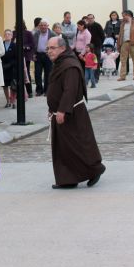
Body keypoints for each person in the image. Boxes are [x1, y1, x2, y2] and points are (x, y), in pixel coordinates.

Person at [46, 36, 105, 189]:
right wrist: (52, 108)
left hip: (71, 113)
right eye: (48, 48)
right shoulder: (60, 63)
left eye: (52, 48)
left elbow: (70, 90)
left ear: (62, 48)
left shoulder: (69, 65)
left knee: (79, 145)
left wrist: (62, 110)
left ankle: (95, 170)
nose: (49, 51)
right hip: (60, 111)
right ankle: (68, 179)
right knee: (64, 148)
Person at [117, 10, 134, 81]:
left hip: (133, 43)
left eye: (124, 16)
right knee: (123, 60)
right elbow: (120, 34)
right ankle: (122, 76)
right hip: (124, 43)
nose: (123, 17)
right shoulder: (123, 24)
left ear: (128, 15)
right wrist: (118, 44)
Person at [32, 20, 57, 96]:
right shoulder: (36, 34)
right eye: (41, 25)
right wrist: (33, 54)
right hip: (38, 55)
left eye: (44, 25)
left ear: (47, 26)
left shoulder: (52, 34)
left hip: (48, 56)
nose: (43, 27)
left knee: (48, 74)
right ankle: (39, 90)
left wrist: (53, 54)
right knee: (37, 73)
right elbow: (33, 45)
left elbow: (56, 45)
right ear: (39, 26)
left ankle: (47, 90)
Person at [1, 29, 17, 107]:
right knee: (5, 86)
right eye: (6, 34)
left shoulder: (14, 45)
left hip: (13, 68)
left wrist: (10, 64)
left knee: (13, 86)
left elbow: (16, 58)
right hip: (3, 68)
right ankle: (8, 101)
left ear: (12, 36)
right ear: (4, 35)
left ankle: (13, 101)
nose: (7, 35)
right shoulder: (1, 44)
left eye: (9, 34)